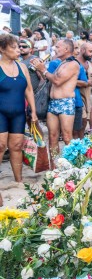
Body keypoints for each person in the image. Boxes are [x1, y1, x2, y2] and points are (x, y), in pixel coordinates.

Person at [31, 39, 80, 161]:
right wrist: (38, 68)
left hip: (65, 102)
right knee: (52, 137)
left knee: (67, 137)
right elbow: (49, 79)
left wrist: (43, 69)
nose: (54, 48)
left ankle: (73, 167)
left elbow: (57, 81)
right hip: (53, 103)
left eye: (58, 47)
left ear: (66, 49)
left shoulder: (73, 64)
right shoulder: (61, 63)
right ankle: (55, 167)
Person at [0, 34, 37, 184]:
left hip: (19, 114)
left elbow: (28, 90)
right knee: (1, 146)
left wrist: (33, 111)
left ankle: (19, 181)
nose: (18, 50)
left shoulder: (22, 67)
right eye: (14, 47)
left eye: (19, 47)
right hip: (1, 113)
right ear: (2, 49)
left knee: (16, 146)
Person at [75, 42, 92, 139]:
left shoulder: (90, 64)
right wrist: (85, 83)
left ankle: (81, 142)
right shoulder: (74, 63)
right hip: (77, 98)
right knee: (80, 123)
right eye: (90, 51)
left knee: (84, 124)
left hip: (87, 98)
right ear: (82, 50)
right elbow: (70, 81)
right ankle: (78, 144)